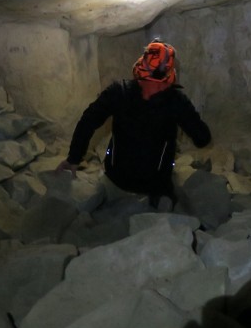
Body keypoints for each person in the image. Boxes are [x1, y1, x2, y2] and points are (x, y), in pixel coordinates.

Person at [55, 38, 211, 210]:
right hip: (155, 187)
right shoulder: (175, 101)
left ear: (140, 68)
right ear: (169, 75)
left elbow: (88, 121)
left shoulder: (118, 92)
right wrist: (184, 112)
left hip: (117, 180)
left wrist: (74, 158)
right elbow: (202, 138)